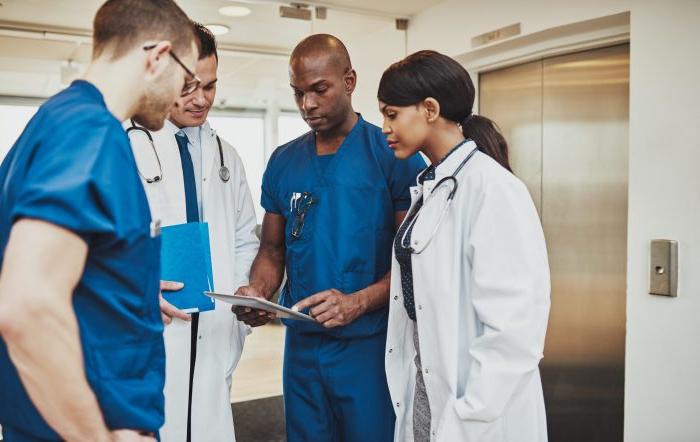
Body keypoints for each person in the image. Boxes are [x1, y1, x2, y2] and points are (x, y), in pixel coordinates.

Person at [0, 1, 198, 440]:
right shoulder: (89, 133)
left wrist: (128, 287)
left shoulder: (54, 122)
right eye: (186, 81)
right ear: (158, 57)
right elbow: (26, 306)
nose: (183, 96)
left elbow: (68, 271)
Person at [233, 34, 425, 441]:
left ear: (349, 81)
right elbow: (272, 250)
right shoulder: (284, 161)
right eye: (298, 93)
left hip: (368, 346)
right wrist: (260, 292)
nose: (308, 104)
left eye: (320, 90)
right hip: (302, 348)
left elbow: (414, 263)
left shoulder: (391, 155)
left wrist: (358, 302)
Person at [377, 50, 551, 442]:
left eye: (391, 114)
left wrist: (468, 417)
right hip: (429, 389)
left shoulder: (493, 189)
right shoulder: (432, 187)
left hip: (478, 411)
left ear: (429, 109)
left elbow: (515, 329)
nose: (384, 127)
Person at [127, 22, 258, 442]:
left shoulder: (226, 156)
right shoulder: (123, 143)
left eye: (210, 86)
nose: (201, 99)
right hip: (148, 333)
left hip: (215, 337)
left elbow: (243, 237)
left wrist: (242, 289)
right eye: (188, 87)